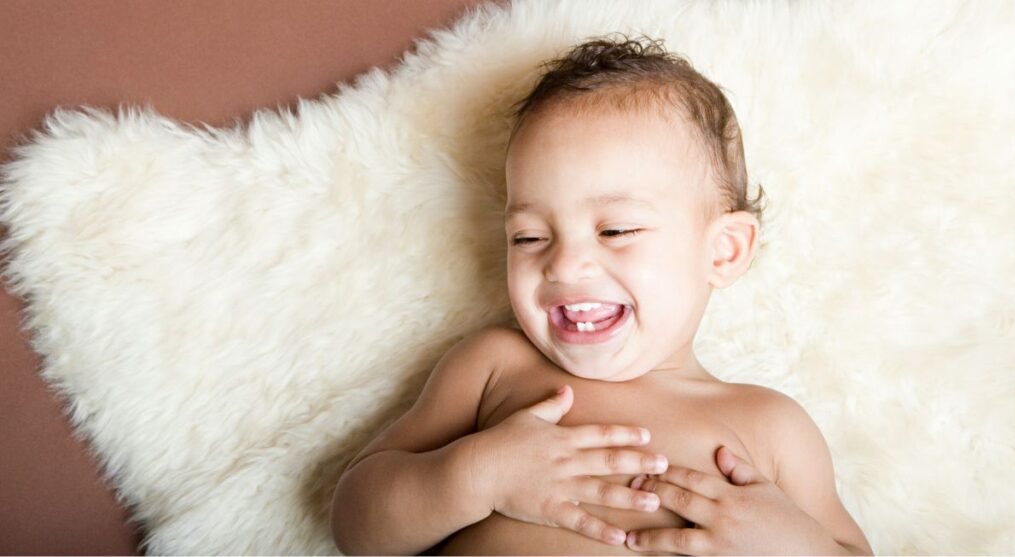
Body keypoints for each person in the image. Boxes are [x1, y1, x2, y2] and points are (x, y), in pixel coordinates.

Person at [331, 34, 872, 556]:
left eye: (615, 231)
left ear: (723, 252)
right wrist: (476, 476)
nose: (563, 263)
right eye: (530, 237)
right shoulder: (496, 368)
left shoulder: (770, 426)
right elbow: (356, 524)